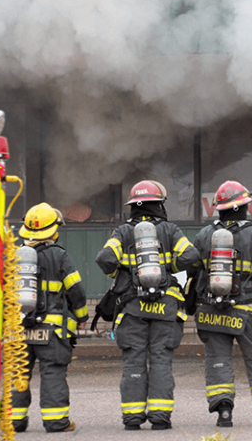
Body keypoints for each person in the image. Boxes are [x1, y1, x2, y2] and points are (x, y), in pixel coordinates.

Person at [186, 180, 252, 428]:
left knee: (217, 360)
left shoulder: (204, 235)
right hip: (249, 313)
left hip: (212, 312)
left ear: (219, 209)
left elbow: (190, 267)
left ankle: (224, 413)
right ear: (244, 206)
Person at [95, 180, 198, 431]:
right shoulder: (170, 230)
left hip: (132, 308)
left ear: (133, 206)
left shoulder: (122, 231)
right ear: (159, 205)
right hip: (166, 307)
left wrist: (125, 273)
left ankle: (132, 418)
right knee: (161, 360)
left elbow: (105, 259)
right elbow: (191, 257)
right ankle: (160, 417)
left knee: (134, 361)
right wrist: (168, 269)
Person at [12, 203, 88, 433]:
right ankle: (56, 422)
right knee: (53, 372)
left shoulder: (15, 255)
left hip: (19, 329)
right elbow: (76, 290)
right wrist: (81, 316)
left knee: (18, 373)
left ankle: (14, 421)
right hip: (52, 330)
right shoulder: (59, 255)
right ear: (53, 230)